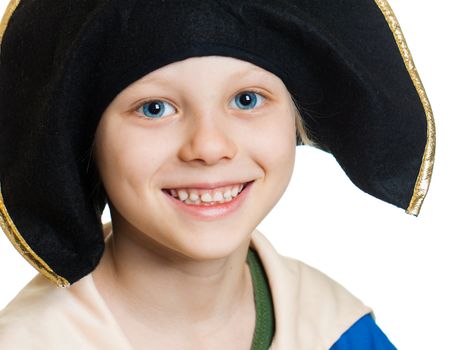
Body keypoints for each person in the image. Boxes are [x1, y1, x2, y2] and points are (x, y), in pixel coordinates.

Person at [0, 0, 435, 349]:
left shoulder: (337, 332)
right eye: (154, 108)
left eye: (247, 99)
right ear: (83, 137)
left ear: (295, 123)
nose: (209, 147)